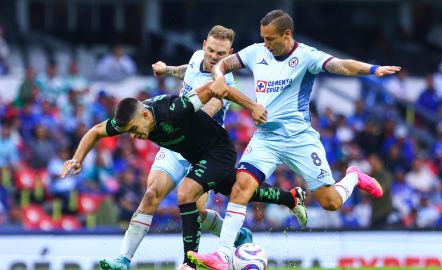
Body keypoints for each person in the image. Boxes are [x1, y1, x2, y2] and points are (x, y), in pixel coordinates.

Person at [188, 10, 401, 269]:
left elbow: (341, 65)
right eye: (263, 38)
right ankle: (222, 256)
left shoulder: (306, 56)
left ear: (287, 35)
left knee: (330, 202)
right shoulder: (256, 52)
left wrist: (373, 69)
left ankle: (354, 176)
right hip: (266, 138)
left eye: (270, 39)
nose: (265, 44)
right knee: (240, 187)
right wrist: (219, 78)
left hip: (299, 139)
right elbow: (222, 64)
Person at [61, 68, 306, 270]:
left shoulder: (174, 108)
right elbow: (95, 131)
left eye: (135, 130)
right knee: (239, 188)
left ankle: (190, 262)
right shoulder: (130, 117)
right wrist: (76, 158)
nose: (134, 137)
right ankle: (290, 198)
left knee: (186, 193)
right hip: (194, 155)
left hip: (217, 151)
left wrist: (251, 106)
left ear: (146, 116)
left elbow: (214, 89)